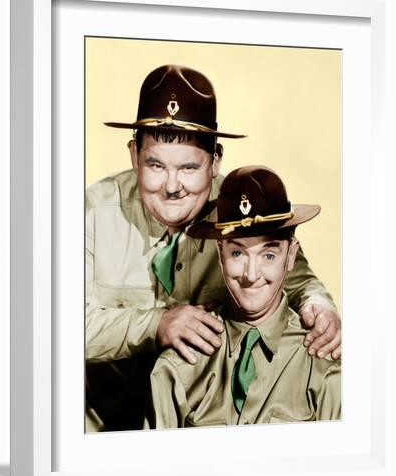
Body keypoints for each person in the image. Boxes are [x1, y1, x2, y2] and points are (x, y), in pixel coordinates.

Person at [86, 64, 341, 432]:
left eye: (189, 168)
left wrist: (322, 310)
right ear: (133, 155)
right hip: (95, 428)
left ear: (215, 161)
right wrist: (155, 323)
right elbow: (53, 326)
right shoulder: (90, 213)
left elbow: (297, 277)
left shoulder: (242, 209)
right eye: (155, 165)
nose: (172, 186)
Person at [145, 165, 341, 428]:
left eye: (268, 255)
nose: (251, 274)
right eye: (237, 254)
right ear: (220, 253)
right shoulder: (178, 366)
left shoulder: (324, 365)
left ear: (291, 255)